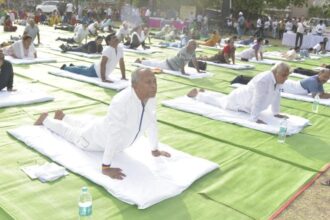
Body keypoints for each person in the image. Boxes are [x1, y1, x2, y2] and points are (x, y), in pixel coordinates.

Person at [34, 68, 171, 180]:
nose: (154, 86)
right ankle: (46, 120)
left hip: (100, 127)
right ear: (134, 85)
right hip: (93, 141)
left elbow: (151, 123)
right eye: (148, 82)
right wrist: (106, 167)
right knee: (71, 134)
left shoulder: (150, 97)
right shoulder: (121, 102)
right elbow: (114, 135)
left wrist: (155, 149)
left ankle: (64, 117)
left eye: (154, 81)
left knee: (87, 123)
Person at [187, 62, 291, 124]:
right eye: (284, 75)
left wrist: (276, 113)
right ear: (276, 73)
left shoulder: (278, 80)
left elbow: (276, 95)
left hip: (244, 99)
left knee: (223, 99)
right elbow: (258, 99)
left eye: (287, 75)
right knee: (221, 103)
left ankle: (205, 92)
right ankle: (198, 94)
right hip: (239, 101)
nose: (286, 78)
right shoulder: (263, 80)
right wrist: (254, 118)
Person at [60, 33, 126, 83]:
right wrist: (103, 79)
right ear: (109, 42)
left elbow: (121, 63)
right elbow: (103, 64)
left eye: (116, 37)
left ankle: (73, 66)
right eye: (113, 38)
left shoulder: (120, 48)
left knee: (85, 69)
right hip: (96, 72)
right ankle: (65, 67)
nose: (116, 38)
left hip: (96, 68)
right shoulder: (108, 49)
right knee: (80, 71)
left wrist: (123, 76)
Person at [135, 40, 202, 75]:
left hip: (175, 67)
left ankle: (145, 60)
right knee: (155, 65)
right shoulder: (183, 50)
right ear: (188, 45)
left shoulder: (193, 51)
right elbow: (182, 61)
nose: (195, 46)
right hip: (169, 65)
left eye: (195, 45)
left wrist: (198, 71)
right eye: (193, 44)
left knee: (156, 63)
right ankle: (140, 61)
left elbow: (194, 61)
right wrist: (183, 72)